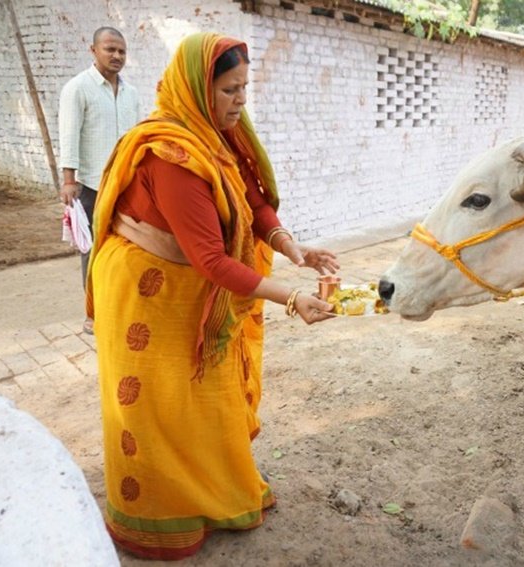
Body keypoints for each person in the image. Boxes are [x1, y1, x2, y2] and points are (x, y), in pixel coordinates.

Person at [85, 32, 339, 560]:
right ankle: (160, 512)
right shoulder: (172, 156)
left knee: (204, 394)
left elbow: (253, 201)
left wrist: (292, 248)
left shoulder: (221, 133)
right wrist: (292, 298)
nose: (240, 100)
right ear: (199, 90)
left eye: (244, 87)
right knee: (158, 403)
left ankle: (215, 490)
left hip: (190, 279)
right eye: (229, 90)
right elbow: (213, 261)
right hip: (145, 288)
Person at [58, 26, 141, 335]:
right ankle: (94, 313)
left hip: (127, 184)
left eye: (121, 51)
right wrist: (69, 181)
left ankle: (123, 305)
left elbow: (136, 138)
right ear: (93, 50)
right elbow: (69, 134)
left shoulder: (131, 93)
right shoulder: (78, 88)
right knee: (93, 250)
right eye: (110, 49)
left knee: (128, 246)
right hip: (92, 185)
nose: (116, 55)